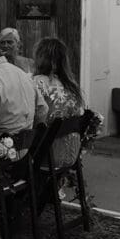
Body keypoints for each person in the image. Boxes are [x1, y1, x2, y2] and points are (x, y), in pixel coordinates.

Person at [32, 38, 86, 168]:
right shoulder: (72, 86)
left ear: (40, 57)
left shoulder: (35, 82)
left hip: (46, 154)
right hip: (72, 152)